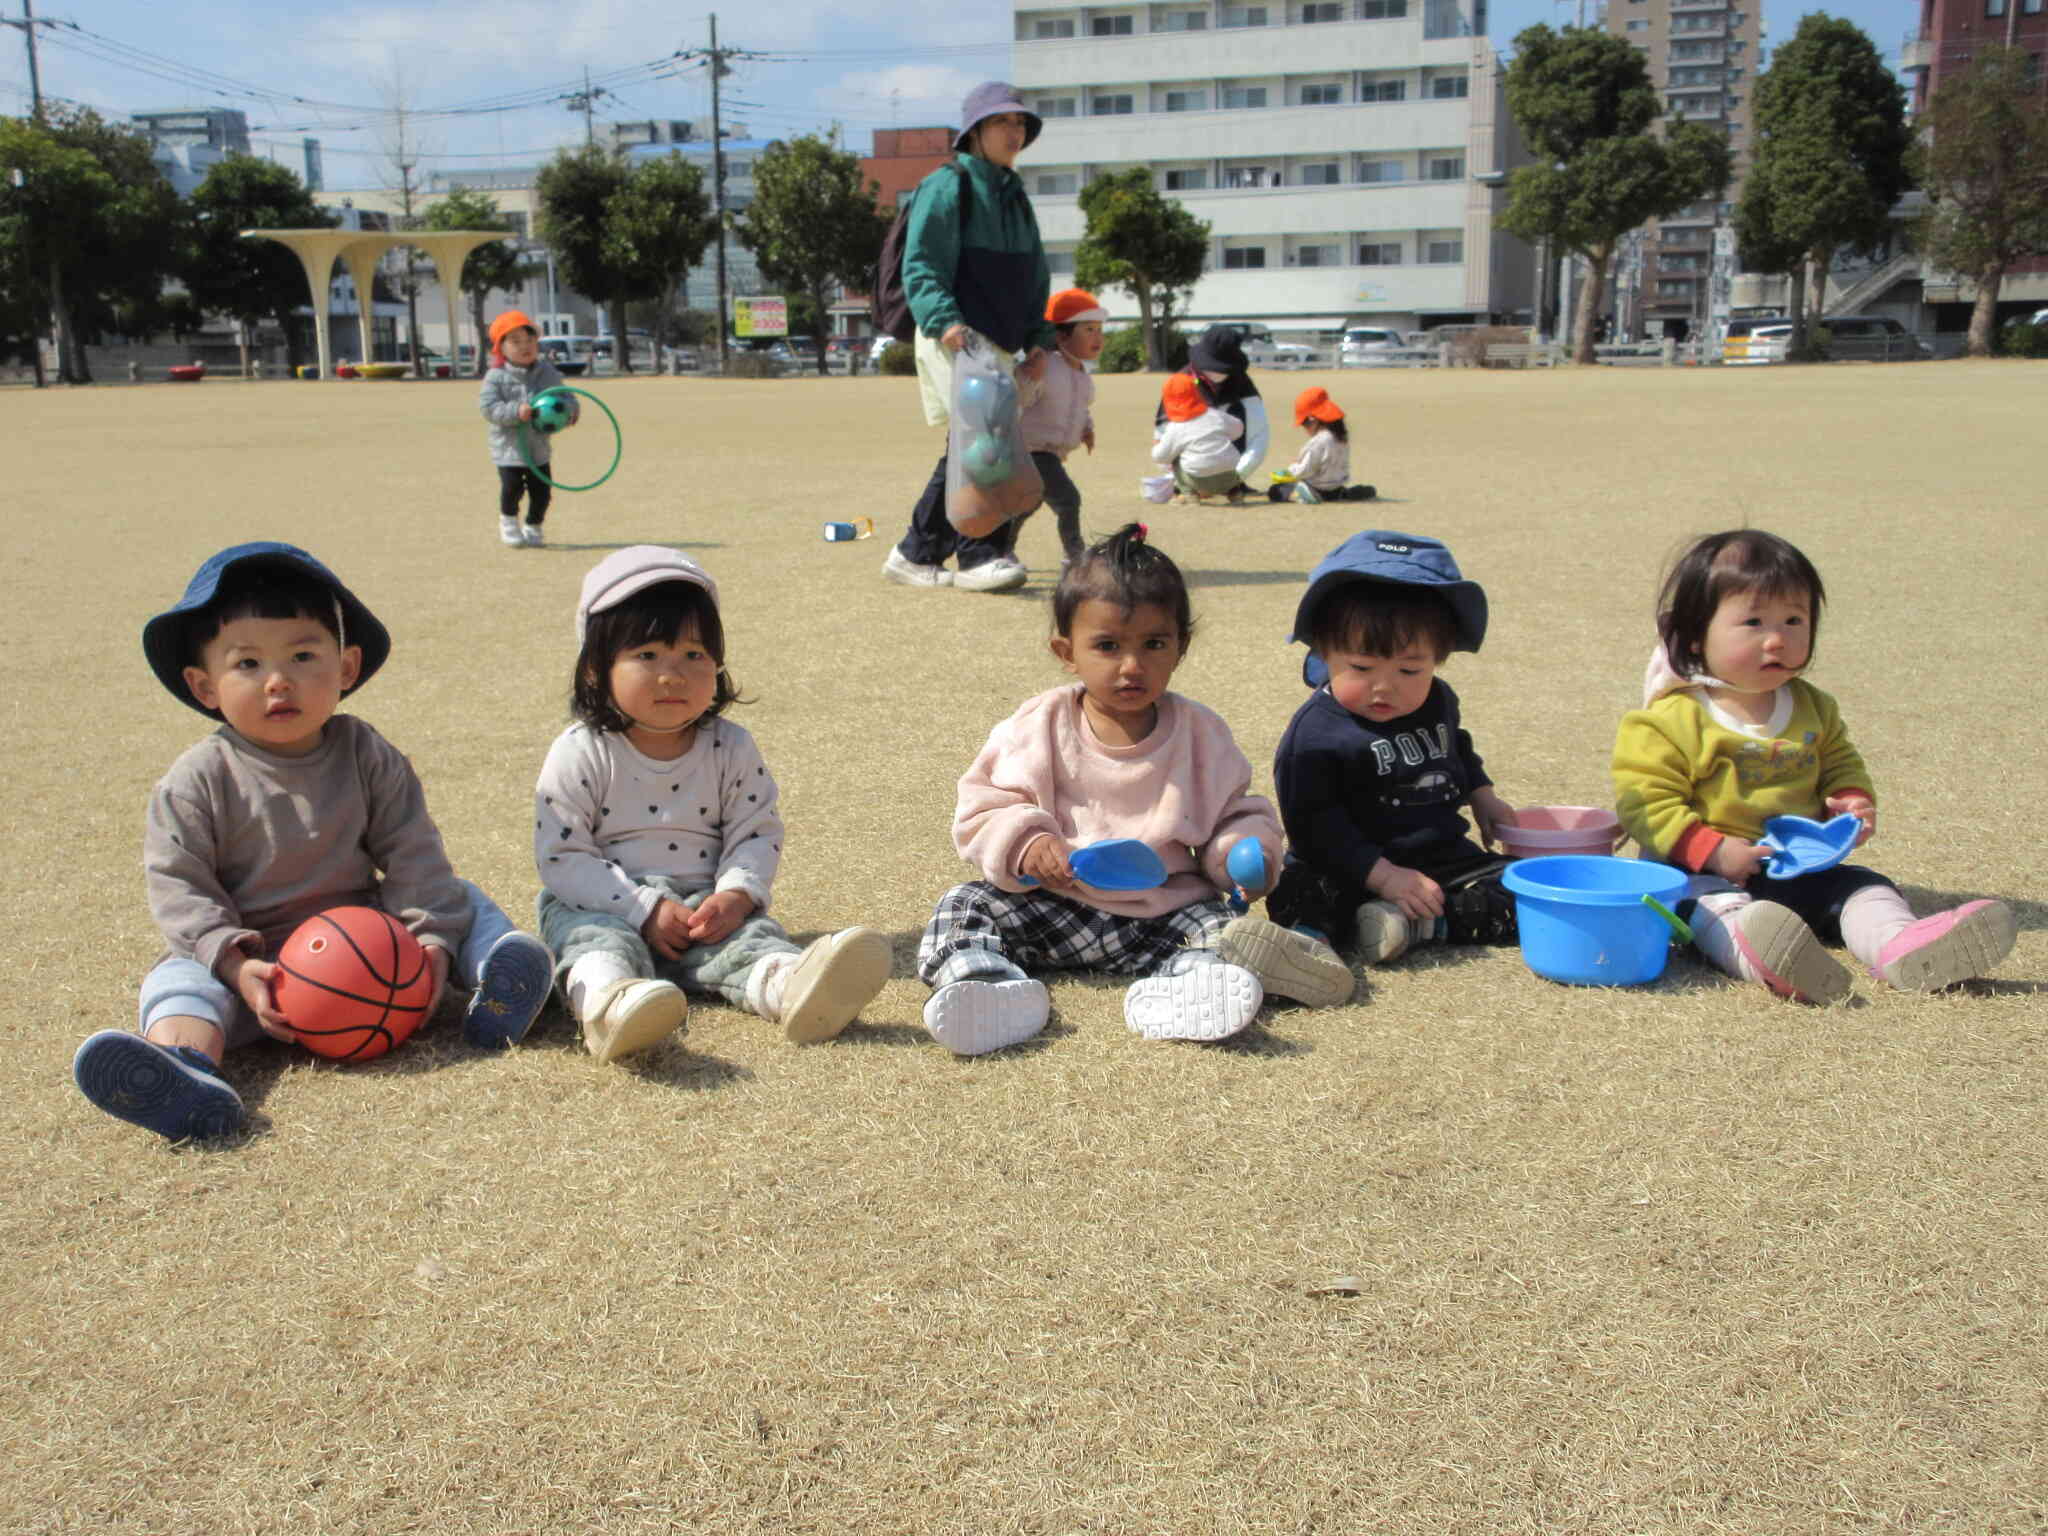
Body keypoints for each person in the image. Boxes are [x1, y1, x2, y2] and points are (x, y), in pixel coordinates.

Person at [71, 543, 555, 1142]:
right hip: (260, 960)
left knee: (459, 897)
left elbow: (413, 852)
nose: (279, 681)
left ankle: (501, 983)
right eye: (247, 664)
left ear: (346, 669)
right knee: (177, 982)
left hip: (370, 942)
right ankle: (183, 1067)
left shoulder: (366, 753)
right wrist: (234, 963)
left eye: (303, 655)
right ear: (204, 686)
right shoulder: (197, 779)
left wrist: (428, 948)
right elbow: (180, 886)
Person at [914, 524, 1288, 1056]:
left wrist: (1242, 853)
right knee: (963, 904)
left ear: (1181, 646)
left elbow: (1235, 813)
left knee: (1224, 930)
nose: (1132, 666)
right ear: (1067, 651)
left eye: (1154, 644)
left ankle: (1190, 988)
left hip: (1160, 912)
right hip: (1053, 906)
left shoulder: (1201, 733)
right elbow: (984, 804)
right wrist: (1026, 841)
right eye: (1108, 646)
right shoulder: (1039, 723)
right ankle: (986, 987)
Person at [1612, 529, 2016, 1001]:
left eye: (1793, 620)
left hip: (1800, 867)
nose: (1777, 640)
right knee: (1710, 911)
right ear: (1695, 636)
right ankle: (1767, 958)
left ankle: (1900, 946)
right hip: (1704, 871)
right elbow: (1645, 802)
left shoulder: (1812, 706)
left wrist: (1852, 803)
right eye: (1754, 622)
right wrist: (1714, 850)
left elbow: (1841, 763)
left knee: (1865, 888)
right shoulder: (1668, 720)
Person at [536, 546, 893, 1061]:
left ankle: (791, 986)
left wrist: (736, 895)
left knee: (754, 943)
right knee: (592, 943)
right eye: (647, 655)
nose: (673, 674)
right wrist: (641, 908)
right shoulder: (580, 750)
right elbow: (561, 858)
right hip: (604, 904)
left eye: (693, 655)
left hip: (705, 908)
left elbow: (755, 832)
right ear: (595, 668)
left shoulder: (731, 746)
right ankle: (609, 1005)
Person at [1262, 531, 1520, 967]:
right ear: (1324, 652)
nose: (1384, 687)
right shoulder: (1315, 735)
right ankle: (1309, 950)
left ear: (1438, 658)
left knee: (1524, 891)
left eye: (1409, 668)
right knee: (1299, 892)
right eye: (1361, 667)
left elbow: (1456, 746)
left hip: (1439, 863)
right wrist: (1383, 876)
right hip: (1345, 868)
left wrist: (1483, 795)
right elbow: (1313, 827)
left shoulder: (1437, 699)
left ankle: (1419, 923)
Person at [881, 81, 1055, 595]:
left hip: (998, 340)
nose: (1015, 131)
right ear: (975, 131)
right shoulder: (945, 185)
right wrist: (946, 323)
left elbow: (1034, 275)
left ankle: (917, 552)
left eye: (1021, 123)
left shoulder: (1015, 194)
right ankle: (980, 554)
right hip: (955, 334)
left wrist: (1039, 337)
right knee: (984, 442)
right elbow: (922, 265)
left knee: (975, 442)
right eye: (1004, 122)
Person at [1017, 287, 1105, 564]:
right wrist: (1031, 375)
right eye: (1088, 329)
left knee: (1027, 505)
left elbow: (1079, 407)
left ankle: (1000, 547)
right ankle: (1075, 554)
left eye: (1099, 329)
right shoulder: (1048, 366)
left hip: (1051, 452)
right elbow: (1022, 398)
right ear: (1060, 335)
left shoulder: (1081, 373)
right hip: (1033, 450)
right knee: (1068, 500)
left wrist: (1086, 428)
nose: (1098, 337)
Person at [479, 310, 573, 549]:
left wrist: (571, 410)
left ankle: (534, 525)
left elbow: (564, 396)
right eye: (516, 341)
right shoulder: (495, 376)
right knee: (512, 489)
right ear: (501, 348)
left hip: (538, 449)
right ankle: (509, 522)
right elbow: (489, 408)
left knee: (542, 492)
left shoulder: (547, 372)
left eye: (530, 340)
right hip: (509, 450)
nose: (525, 346)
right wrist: (514, 412)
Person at [1152, 324, 1269, 502]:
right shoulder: (1180, 384)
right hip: (1193, 466)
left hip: (1231, 469)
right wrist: (1190, 481)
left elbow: (1259, 435)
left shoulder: (1243, 384)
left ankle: (1232, 487)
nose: (1216, 374)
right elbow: (1162, 435)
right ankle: (1189, 488)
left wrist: (1239, 475)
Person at [1267, 386, 1375, 504]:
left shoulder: (1318, 442)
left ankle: (1304, 495)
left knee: (1274, 491)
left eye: (1304, 424)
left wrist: (1290, 470)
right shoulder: (1341, 437)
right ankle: (1344, 494)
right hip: (1336, 487)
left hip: (1316, 489)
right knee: (1343, 490)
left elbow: (1305, 470)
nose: (1305, 428)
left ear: (1313, 419)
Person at [1151, 373, 1244, 502]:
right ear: (1197, 393)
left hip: (1198, 481)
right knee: (1223, 453)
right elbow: (1238, 429)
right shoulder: (1216, 415)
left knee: (1175, 456)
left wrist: (1157, 444)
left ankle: (1189, 494)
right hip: (1229, 477)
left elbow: (1160, 457)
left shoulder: (1176, 427)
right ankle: (1234, 493)